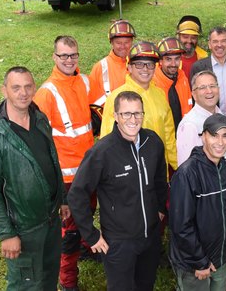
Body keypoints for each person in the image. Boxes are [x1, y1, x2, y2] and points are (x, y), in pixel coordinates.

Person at [0, 66, 68, 290]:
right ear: (4, 90)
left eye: (28, 86)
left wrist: (62, 200)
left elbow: (52, 160)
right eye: (16, 87)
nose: (23, 93)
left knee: (49, 278)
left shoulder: (40, 119)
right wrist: (7, 234)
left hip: (50, 220)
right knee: (26, 285)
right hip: (24, 228)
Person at [68, 91, 168, 291]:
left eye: (137, 114)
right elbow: (77, 194)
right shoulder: (102, 152)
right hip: (119, 241)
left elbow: (160, 179)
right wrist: (91, 235)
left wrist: (160, 208)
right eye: (126, 114)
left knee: (145, 284)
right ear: (115, 116)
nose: (133, 119)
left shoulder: (153, 142)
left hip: (150, 236)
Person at [33, 36, 95, 291]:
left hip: (90, 170)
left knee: (88, 215)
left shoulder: (84, 81)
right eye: (63, 56)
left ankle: (84, 246)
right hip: (67, 179)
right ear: (54, 57)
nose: (69, 60)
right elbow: (38, 143)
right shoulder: (46, 93)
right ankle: (68, 282)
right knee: (68, 232)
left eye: (73, 55)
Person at [169, 114, 226, 291]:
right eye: (214, 135)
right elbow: (181, 226)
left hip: (220, 257)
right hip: (194, 262)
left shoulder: (224, 169)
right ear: (203, 136)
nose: (220, 142)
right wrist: (199, 262)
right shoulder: (187, 174)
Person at [101, 41, 178, 172]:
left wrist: (177, 165)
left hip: (158, 171)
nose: (145, 69)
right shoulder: (117, 97)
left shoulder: (159, 94)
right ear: (129, 67)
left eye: (150, 65)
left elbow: (168, 134)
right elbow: (107, 140)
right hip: (130, 173)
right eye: (139, 64)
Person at [190, 27, 226, 116]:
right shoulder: (199, 67)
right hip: (210, 121)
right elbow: (195, 98)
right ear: (209, 44)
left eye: (223, 41)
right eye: (215, 41)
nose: (219, 45)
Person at [176, 70, 222, 167]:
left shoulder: (222, 117)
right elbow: (186, 169)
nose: (209, 91)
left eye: (212, 86)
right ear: (194, 94)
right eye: (202, 87)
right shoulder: (189, 125)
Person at [88, 20, 137, 109]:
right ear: (111, 43)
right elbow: (93, 103)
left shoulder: (141, 65)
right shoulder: (99, 68)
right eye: (118, 43)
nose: (123, 46)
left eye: (127, 42)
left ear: (132, 41)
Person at [152, 37, 193, 130]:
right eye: (168, 59)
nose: (173, 64)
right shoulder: (153, 82)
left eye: (177, 59)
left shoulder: (183, 78)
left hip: (183, 133)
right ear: (160, 61)